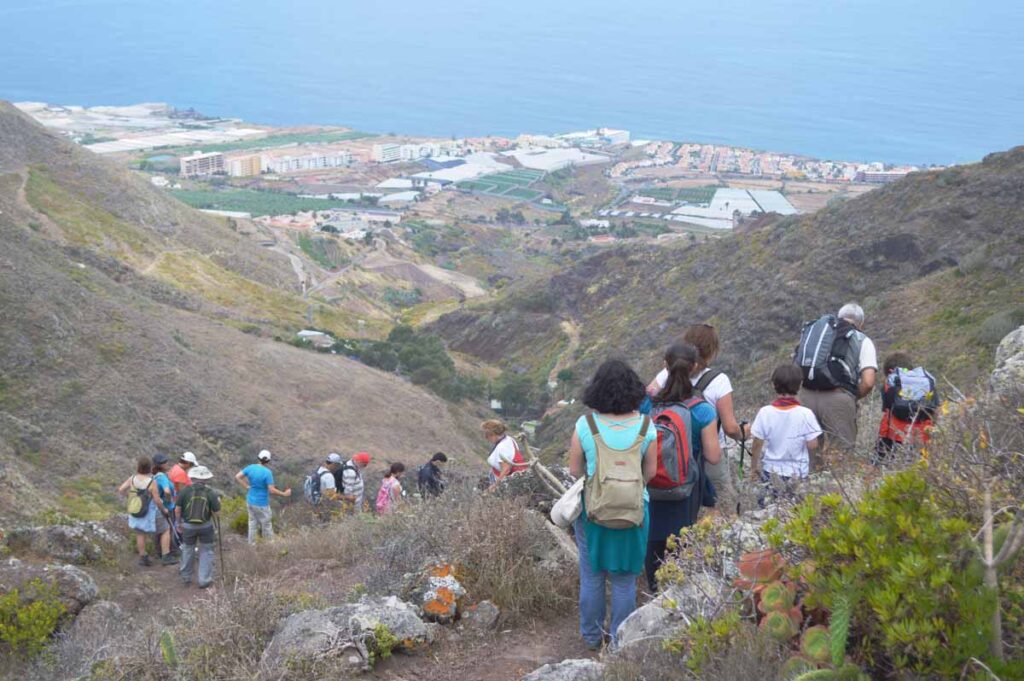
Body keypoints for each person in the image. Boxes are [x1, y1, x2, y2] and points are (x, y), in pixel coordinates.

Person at [567, 359, 658, 650]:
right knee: (625, 579)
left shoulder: (586, 424)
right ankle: (621, 642)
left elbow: (574, 470)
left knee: (592, 575)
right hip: (634, 512)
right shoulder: (647, 426)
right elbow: (651, 473)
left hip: (594, 511)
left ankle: (592, 638)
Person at [646, 342, 721, 592]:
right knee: (680, 541)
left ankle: (653, 590)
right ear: (695, 368)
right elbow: (713, 457)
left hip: (650, 483)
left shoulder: (648, 405)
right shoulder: (702, 410)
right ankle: (676, 596)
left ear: (664, 365)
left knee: (652, 542)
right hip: (686, 488)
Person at [647, 324, 749, 505]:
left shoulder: (667, 372)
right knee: (722, 504)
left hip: (671, 454)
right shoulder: (719, 381)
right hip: (709, 454)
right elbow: (730, 428)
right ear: (712, 351)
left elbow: (649, 400)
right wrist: (745, 432)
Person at [796, 303, 877, 453]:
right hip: (838, 399)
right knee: (841, 455)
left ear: (839, 317)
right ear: (861, 323)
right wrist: (851, 396)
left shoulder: (816, 332)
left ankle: (810, 476)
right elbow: (868, 382)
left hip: (805, 396)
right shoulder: (862, 340)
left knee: (808, 454)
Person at [751, 364, 822, 506]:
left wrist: (754, 467)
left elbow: (757, 442)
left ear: (774, 385)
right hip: (797, 473)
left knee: (767, 509)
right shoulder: (805, 414)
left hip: (770, 471)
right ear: (800, 385)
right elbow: (813, 444)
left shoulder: (765, 412)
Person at [875, 353, 936, 461]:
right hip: (922, 438)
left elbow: (886, 409)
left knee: (882, 466)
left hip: (892, 437)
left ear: (890, 371)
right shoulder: (926, 381)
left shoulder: (890, 382)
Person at [118, 456, 170, 567]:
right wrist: (164, 510)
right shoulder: (151, 482)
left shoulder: (132, 479)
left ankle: (143, 557)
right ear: (149, 468)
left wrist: (130, 497)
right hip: (149, 512)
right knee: (165, 529)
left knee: (140, 533)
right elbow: (157, 500)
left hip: (135, 510)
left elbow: (121, 489)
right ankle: (166, 556)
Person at [235, 449, 291, 545]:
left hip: (250, 500)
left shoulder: (250, 468)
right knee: (266, 525)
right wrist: (284, 494)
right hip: (261, 503)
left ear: (258, 458)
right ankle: (269, 546)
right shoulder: (267, 472)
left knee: (252, 523)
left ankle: (251, 545)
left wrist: (247, 486)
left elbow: (237, 476)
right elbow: (271, 490)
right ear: (268, 461)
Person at [177, 465, 221, 589]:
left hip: (188, 526)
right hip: (205, 526)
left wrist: (178, 523)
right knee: (206, 550)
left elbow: (177, 509)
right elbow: (217, 513)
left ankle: (186, 577)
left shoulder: (185, 491)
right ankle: (204, 580)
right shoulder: (210, 492)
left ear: (192, 478)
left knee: (187, 549)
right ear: (206, 479)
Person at [151, 453, 179, 565]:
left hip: (158, 508)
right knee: (167, 531)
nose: (167, 463)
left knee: (160, 531)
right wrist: (169, 501)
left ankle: (160, 552)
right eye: (164, 462)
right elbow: (167, 491)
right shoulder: (161, 477)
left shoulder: (156, 476)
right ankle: (166, 555)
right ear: (160, 465)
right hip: (167, 507)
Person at [483, 420, 527, 488]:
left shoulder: (503, 447)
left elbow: (506, 470)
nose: (485, 437)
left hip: (509, 484)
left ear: (494, 434)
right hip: (509, 479)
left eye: (487, 435)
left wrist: (494, 487)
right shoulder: (509, 439)